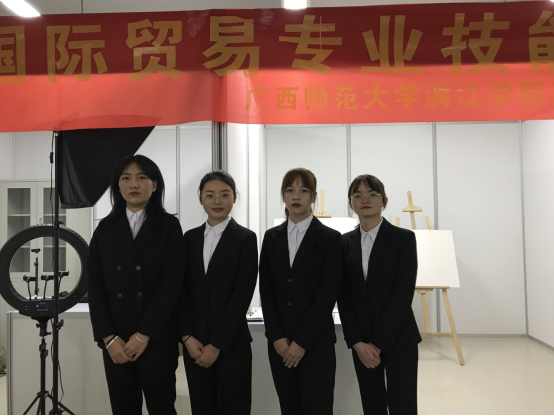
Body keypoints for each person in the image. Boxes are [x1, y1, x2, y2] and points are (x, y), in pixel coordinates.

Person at [88, 155, 184, 415]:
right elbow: (95, 287)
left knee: (162, 407)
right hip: (116, 340)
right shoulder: (105, 229)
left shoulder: (169, 226)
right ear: (117, 186)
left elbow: (172, 285)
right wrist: (108, 339)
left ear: (154, 185)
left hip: (156, 337)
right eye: (126, 178)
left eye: (142, 177)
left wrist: (143, 335)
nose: (133, 184)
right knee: (123, 408)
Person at [259, 168, 342, 415]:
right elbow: (266, 289)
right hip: (280, 344)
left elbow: (328, 294)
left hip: (316, 343)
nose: (296, 196)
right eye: (290, 190)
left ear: (313, 196)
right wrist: (276, 336)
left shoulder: (330, 238)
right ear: (283, 195)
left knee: (319, 407)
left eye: (304, 190)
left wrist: (302, 342)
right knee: (289, 407)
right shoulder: (271, 237)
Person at [338, 174, 421, 416]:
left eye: (372, 194)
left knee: (403, 404)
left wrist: (376, 344)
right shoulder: (343, 243)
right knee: (371, 404)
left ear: (384, 200)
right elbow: (342, 296)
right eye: (358, 195)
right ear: (351, 203)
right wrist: (357, 343)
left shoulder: (403, 239)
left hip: (399, 337)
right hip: (361, 342)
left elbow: (402, 294)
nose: (365, 200)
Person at [178, 171, 258, 415]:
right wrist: (187, 337)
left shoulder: (245, 238)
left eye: (224, 195)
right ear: (201, 199)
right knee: (202, 408)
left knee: (235, 408)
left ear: (234, 198)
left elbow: (242, 295)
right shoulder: (189, 238)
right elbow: (180, 291)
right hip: (195, 345)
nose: (217, 201)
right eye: (210, 195)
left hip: (232, 345)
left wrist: (216, 345)